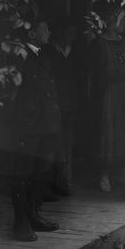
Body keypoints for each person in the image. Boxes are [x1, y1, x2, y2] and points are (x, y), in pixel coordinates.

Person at [10, 19, 62, 241]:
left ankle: (32, 215)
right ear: (31, 34)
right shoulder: (18, 56)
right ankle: (20, 221)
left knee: (39, 171)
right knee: (21, 173)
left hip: (46, 124)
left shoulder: (43, 55)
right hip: (28, 125)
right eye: (45, 28)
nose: (49, 31)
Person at [88, 4, 125, 192]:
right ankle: (103, 174)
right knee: (107, 131)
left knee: (122, 131)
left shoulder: (123, 41)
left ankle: (116, 172)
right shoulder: (99, 43)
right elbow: (94, 72)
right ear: (112, 22)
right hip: (107, 93)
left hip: (123, 91)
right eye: (122, 20)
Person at [41, 16, 78, 197]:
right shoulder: (48, 50)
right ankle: (48, 185)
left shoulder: (73, 51)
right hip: (54, 103)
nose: (71, 36)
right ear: (60, 32)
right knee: (51, 144)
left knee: (66, 143)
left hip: (69, 103)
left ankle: (63, 182)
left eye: (73, 33)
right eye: (69, 32)